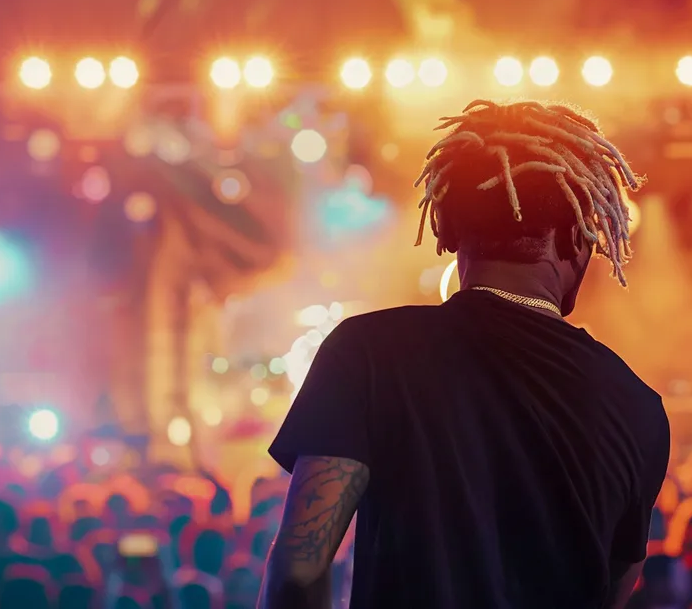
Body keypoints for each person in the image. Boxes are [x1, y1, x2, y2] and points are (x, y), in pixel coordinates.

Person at [261, 100, 670, 609]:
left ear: (445, 229)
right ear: (576, 235)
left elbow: (299, 572)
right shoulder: (636, 406)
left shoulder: (369, 353)